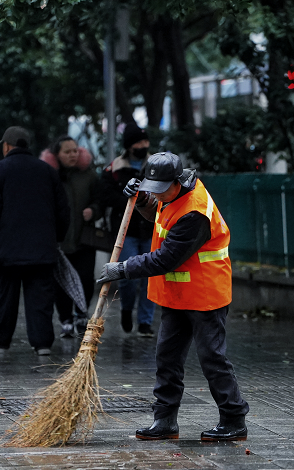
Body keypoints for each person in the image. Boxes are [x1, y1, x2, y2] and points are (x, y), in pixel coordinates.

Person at [97, 152, 249, 441]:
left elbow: (166, 258)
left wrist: (123, 268)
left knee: (211, 358)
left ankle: (234, 419)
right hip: (176, 292)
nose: (157, 195)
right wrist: (141, 200)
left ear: (176, 182)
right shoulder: (171, 195)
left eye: (160, 190)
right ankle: (164, 420)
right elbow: (156, 214)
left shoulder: (195, 213)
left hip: (205, 293)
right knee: (166, 357)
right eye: (150, 188)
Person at [0, 126, 70, 355]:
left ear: (7, 146)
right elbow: (63, 211)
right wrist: (56, 238)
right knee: (40, 297)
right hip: (42, 248)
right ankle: (42, 344)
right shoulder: (47, 172)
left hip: (8, 248)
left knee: (6, 296)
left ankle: (0, 341)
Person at [40, 135, 102, 338]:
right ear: (57, 155)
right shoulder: (49, 175)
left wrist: (93, 210)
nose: (73, 155)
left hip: (83, 239)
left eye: (75, 150)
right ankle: (65, 319)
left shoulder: (89, 175)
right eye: (67, 151)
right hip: (59, 240)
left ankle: (81, 314)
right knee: (60, 281)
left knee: (85, 278)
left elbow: (100, 201)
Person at [101, 123, 155, 336]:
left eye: (145, 141)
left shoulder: (154, 165)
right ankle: (126, 309)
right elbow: (105, 196)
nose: (144, 145)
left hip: (150, 229)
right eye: (139, 142)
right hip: (127, 232)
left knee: (150, 276)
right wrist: (127, 198)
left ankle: (145, 322)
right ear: (130, 145)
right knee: (128, 275)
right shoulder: (115, 168)